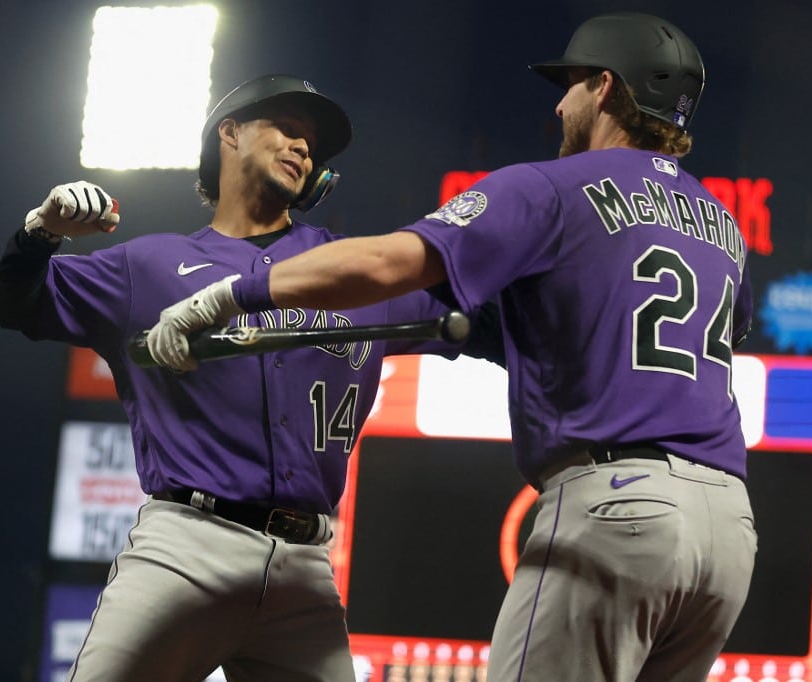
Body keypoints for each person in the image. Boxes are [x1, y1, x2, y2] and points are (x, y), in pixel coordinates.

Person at [147, 13, 757, 682]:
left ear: (606, 87)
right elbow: (702, 329)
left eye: (573, 85)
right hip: (727, 532)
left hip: (619, 505)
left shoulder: (553, 187)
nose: (560, 103)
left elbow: (388, 263)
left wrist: (234, 294)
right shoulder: (721, 224)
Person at [0, 73, 501, 682]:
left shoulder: (354, 272)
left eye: (313, 144)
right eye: (288, 128)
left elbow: (490, 324)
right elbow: (10, 304)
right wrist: (40, 232)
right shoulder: (146, 266)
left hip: (306, 566)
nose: (305, 147)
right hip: (184, 549)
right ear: (229, 134)